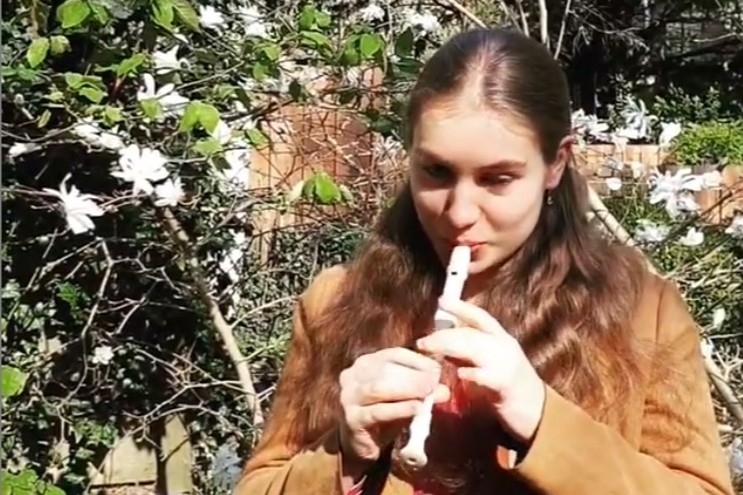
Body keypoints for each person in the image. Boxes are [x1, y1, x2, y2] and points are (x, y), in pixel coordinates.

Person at [235, 27, 735, 495]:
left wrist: (544, 421)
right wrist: (345, 453)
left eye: (497, 179)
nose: (459, 213)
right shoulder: (336, 303)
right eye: (436, 172)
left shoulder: (643, 312)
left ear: (555, 164)